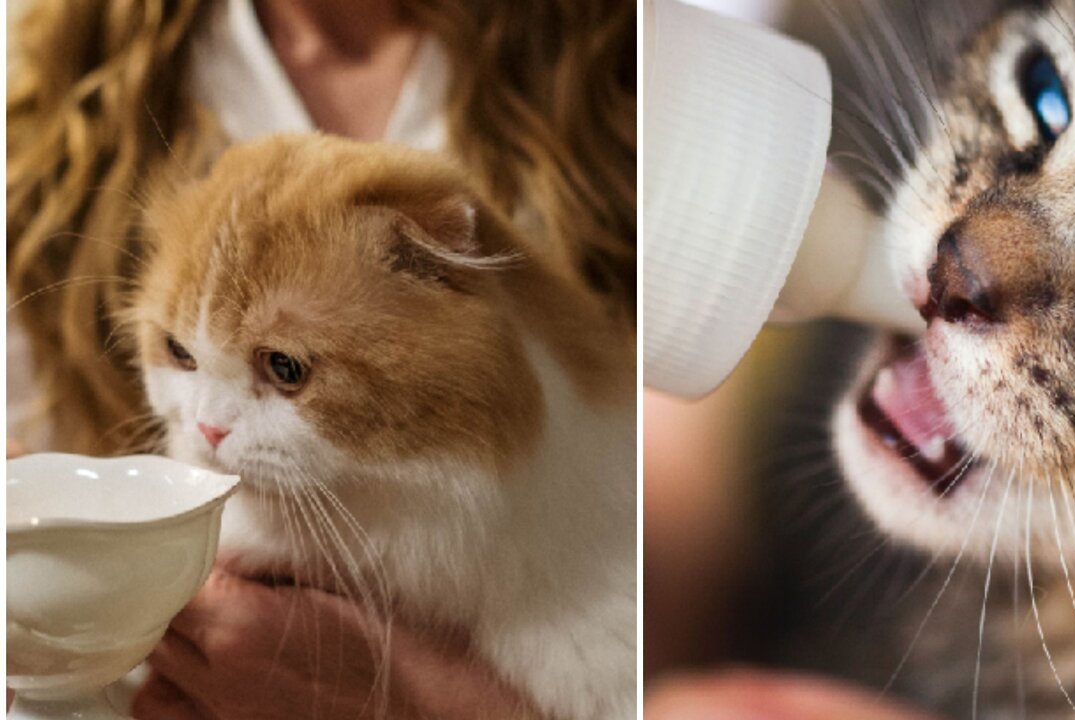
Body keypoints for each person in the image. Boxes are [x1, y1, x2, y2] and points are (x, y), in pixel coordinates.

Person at [7, 1, 634, 717]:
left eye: (286, 368)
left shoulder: (619, 57)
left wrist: (409, 691)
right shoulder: (54, 68)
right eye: (180, 353)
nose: (207, 427)